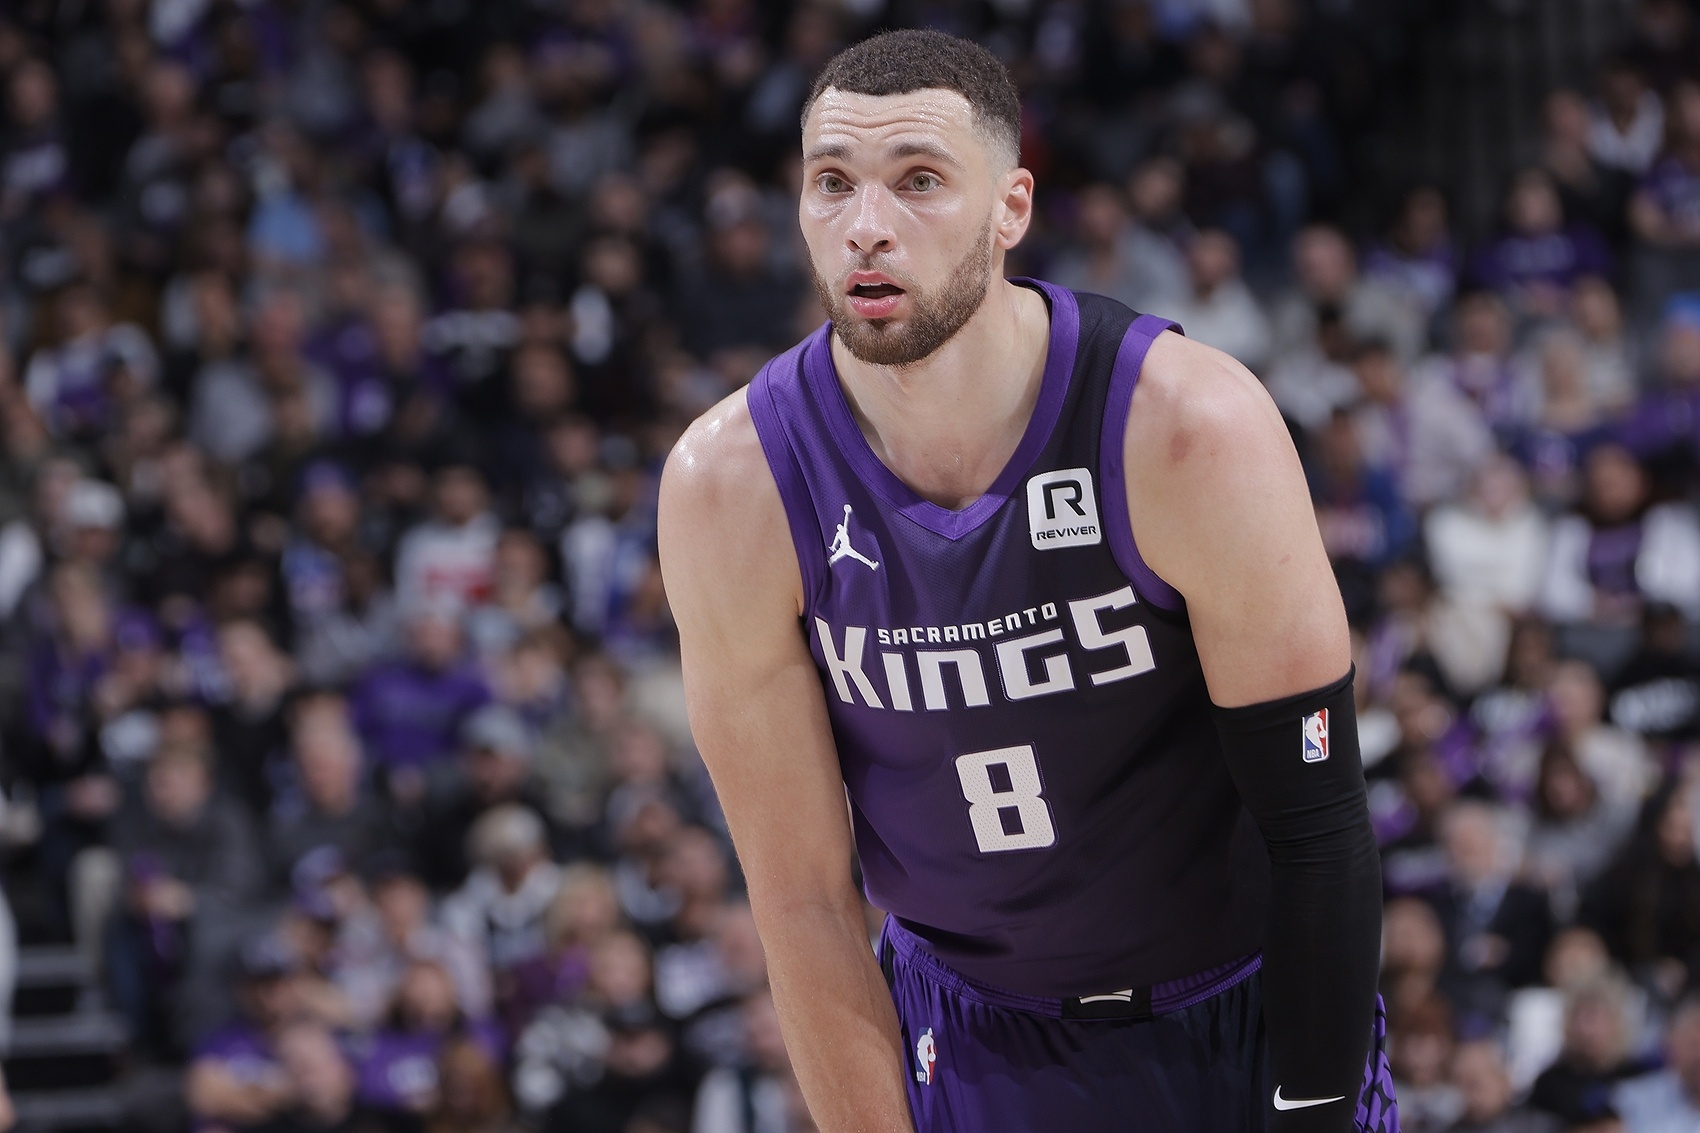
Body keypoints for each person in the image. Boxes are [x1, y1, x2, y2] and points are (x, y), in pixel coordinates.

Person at [658, 28, 1391, 1133]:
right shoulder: (731, 487)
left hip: (1245, 1004)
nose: (866, 225)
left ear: (1010, 209)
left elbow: (1319, 825)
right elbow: (802, 899)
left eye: (918, 180)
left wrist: (1313, 1110)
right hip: (969, 1028)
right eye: (831, 183)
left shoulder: (1186, 425)